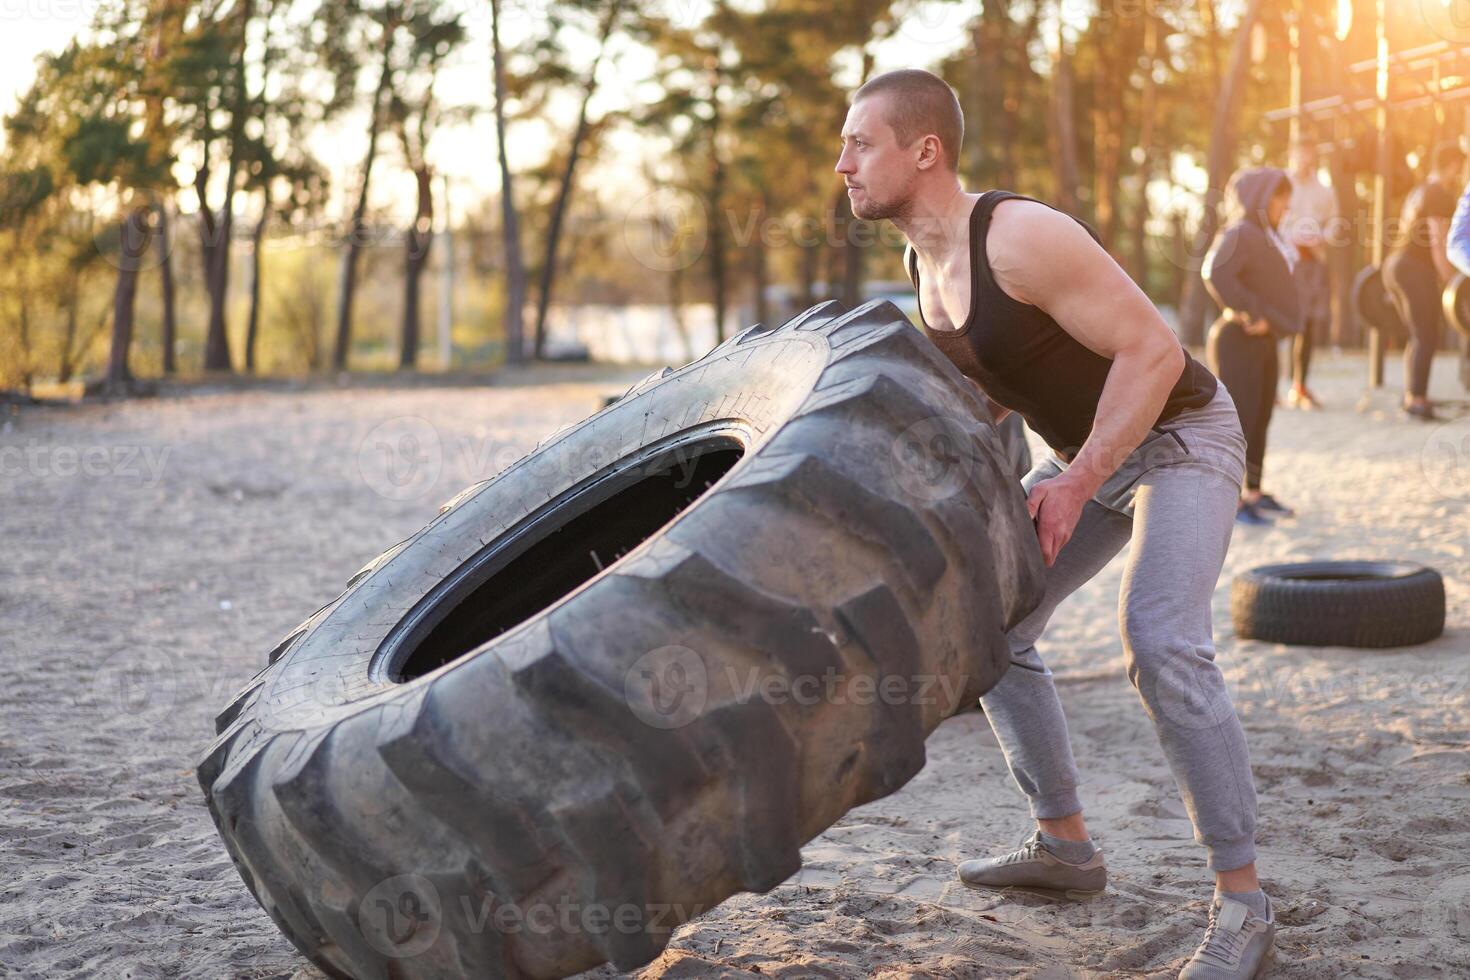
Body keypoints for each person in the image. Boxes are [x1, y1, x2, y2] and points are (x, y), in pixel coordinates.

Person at [836, 68, 1273, 980]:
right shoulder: (924, 265)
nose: (841, 164)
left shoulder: (1021, 235)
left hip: (1181, 434)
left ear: (926, 151)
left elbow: (1153, 350)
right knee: (992, 623)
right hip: (1087, 456)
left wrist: (1075, 479)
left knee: (1159, 640)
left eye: (860, 143)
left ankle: (1243, 903)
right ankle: (1065, 847)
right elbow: (998, 395)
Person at [1201, 168, 1303, 526]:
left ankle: (1255, 493)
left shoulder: (1268, 236)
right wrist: (1251, 311)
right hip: (1238, 341)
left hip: (1264, 342)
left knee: (1260, 418)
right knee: (1240, 421)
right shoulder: (1241, 232)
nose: (1285, 206)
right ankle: (1235, 501)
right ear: (1261, 196)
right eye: (1279, 197)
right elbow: (1215, 272)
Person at [1383, 139, 1463, 421]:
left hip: (1394, 265)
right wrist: (1455, 284)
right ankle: (1417, 399)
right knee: (1427, 333)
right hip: (1412, 268)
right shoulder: (1439, 193)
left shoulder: (1420, 190)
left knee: (1419, 334)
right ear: (1452, 165)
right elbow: (1438, 244)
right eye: (1459, 168)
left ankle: (1413, 396)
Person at [1281, 137, 1337, 409]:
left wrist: (1322, 238)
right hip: (1284, 262)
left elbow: (1335, 223)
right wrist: (1288, 237)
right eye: (1301, 155)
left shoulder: (1325, 191)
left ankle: (1299, 385)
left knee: (1309, 325)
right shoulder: (1280, 185)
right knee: (1279, 320)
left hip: (1313, 262)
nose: (1305, 161)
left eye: (1310, 155)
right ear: (1291, 155)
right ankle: (1271, 388)